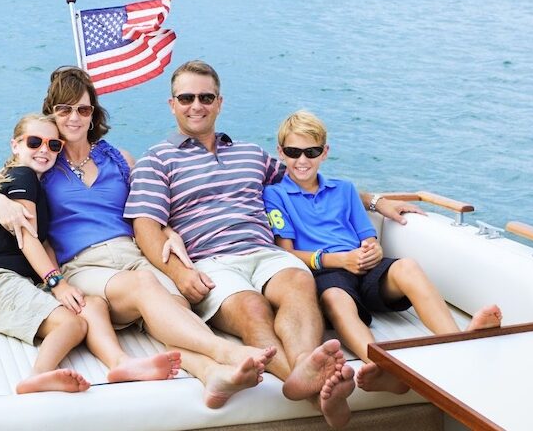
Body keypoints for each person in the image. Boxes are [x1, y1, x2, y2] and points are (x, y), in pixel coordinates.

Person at [125, 60, 422, 428]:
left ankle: (304, 372)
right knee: (253, 307)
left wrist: (376, 201)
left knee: (298, 281)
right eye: (186, 98)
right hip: (211, 260)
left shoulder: (250, 154)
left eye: (206, 97)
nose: (196, 105)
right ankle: (312, 385)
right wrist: (180, 274)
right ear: (172, 105)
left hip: (265, 251)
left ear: (219, 103)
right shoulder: (156, 160)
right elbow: (146, 228)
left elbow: (307, 179)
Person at [0, 67, 273, 408]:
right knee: (145, 286)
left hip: (132, 255)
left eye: (83, 109)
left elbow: (150, 209)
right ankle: (227, 352)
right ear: (52, 113)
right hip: (83, 264)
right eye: (64, 110)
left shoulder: (119, 159)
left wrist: (169, 232)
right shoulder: (43, 159)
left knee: (174, 307)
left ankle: (211, 374)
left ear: (93, 114)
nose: (74, 118)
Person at [262, 109, 502, 425]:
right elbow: (287, 252)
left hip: (361, 264)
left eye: (312, 151)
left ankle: (455, 342)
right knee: (335, 299)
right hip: (325, 271)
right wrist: (338, 260)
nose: (302, 160)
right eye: (293, 152)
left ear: (325, 152)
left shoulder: (344, 189)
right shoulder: (275, 195)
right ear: (281, 153)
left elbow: (367, 235)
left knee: (408, 267)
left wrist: (371, 249)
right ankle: (387, 367)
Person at [0, 113, 181, 395]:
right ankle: (37, 376)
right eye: (34, 142)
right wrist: (58, 283)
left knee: (91, 304)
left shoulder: (37, 185)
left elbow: (44, 242)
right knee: (72, 323)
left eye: (53, 145)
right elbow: (28, 240)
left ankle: (120, 363)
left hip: (25, 282)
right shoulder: (23, 176)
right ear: (15, 145)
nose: (44, 150)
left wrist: (59, 282)